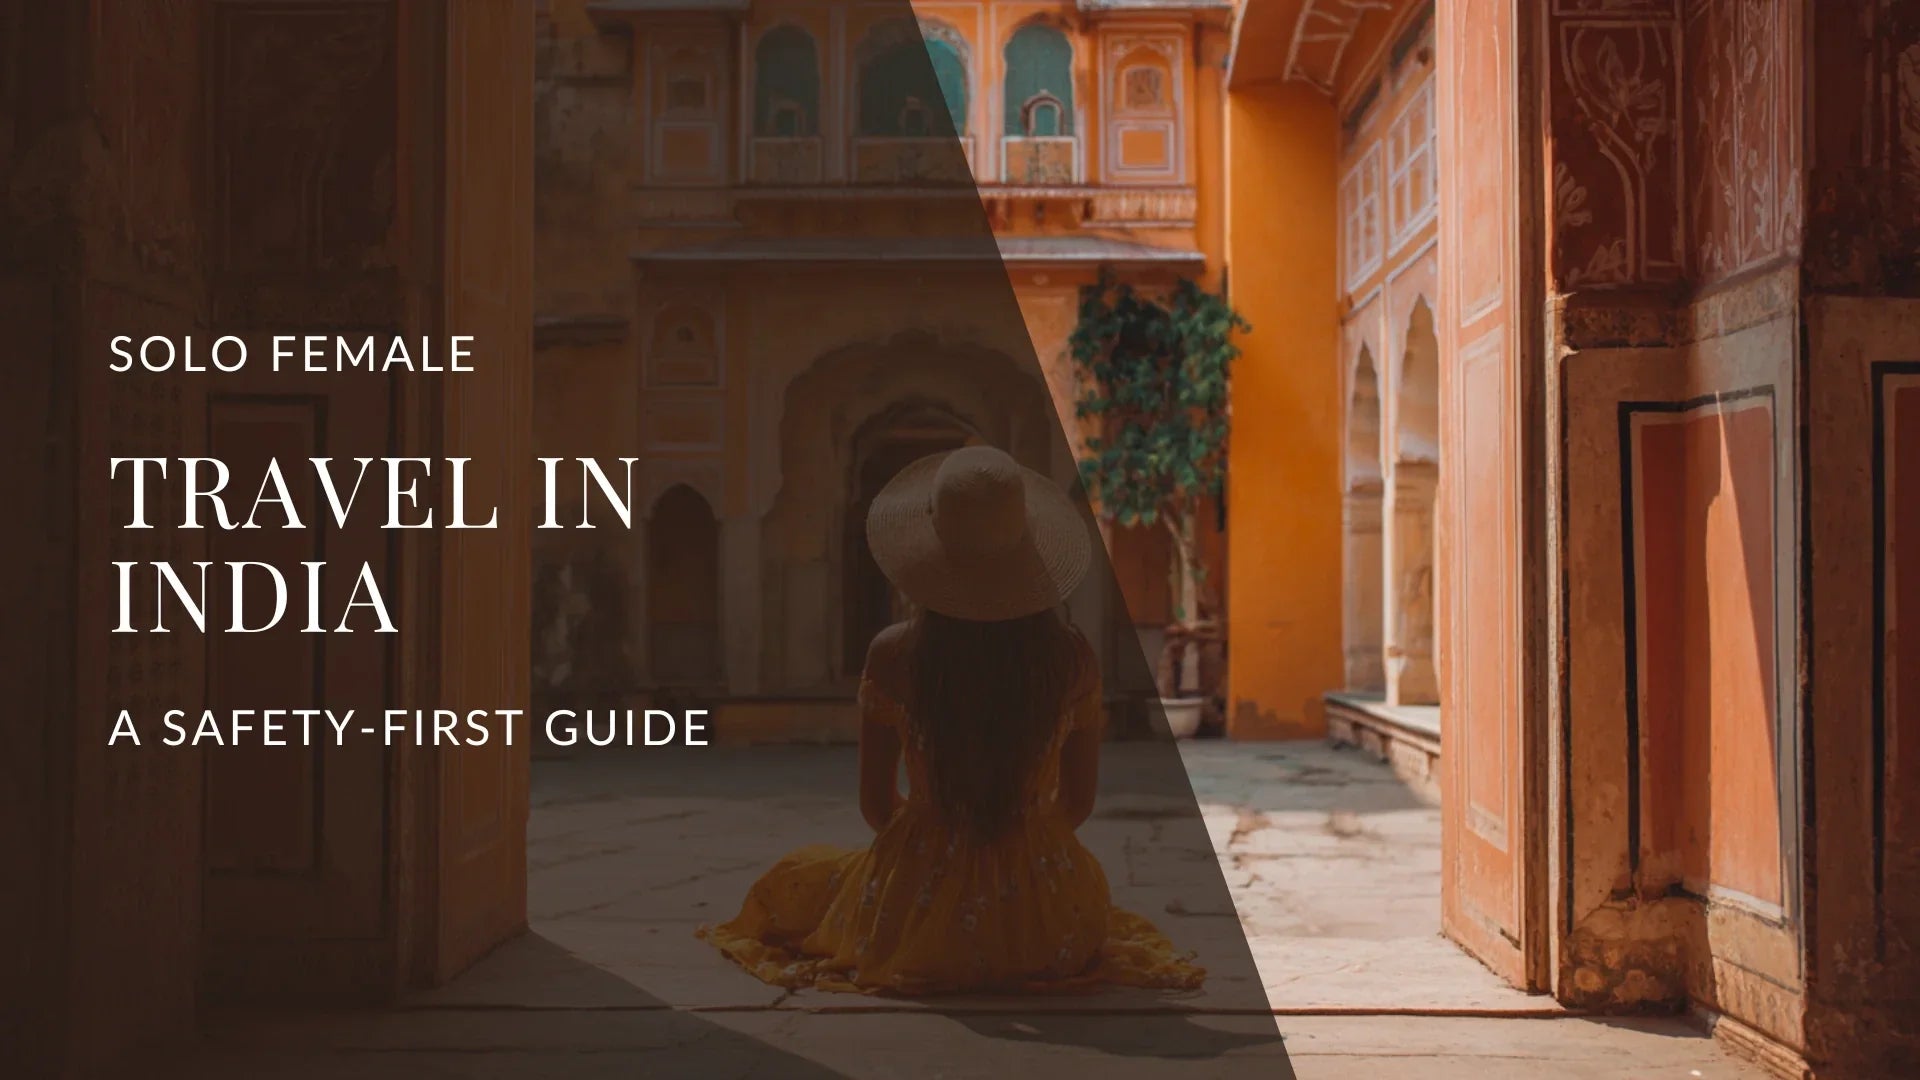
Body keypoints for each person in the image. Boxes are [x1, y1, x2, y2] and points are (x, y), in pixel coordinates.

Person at [698, 445, 1204, 994]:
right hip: (1050, 924)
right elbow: (1075, 806)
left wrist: (935, 859)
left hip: (915, 916)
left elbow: (877, 805)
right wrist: (1020, 860)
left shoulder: (893, 655)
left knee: (799, 880)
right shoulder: (1073, 659)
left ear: (932, 552)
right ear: (1028, 547)